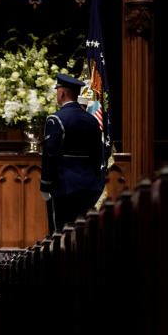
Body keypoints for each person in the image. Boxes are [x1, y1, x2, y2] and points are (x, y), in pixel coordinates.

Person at [39, 73, 105, 233]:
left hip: (64, 187)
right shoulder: (92, 121)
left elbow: (50, 155)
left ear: (62, 93)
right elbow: (98, 155)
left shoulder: (55, 119)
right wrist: (96, 183)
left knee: (61, 234)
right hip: (89, 188)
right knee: (84, 233)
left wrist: (45, 185)